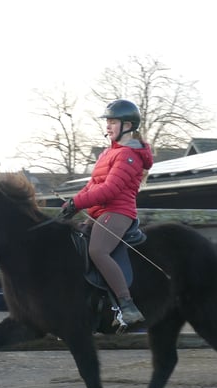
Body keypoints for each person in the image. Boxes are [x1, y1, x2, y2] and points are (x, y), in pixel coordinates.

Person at [60, 99, 154, 326]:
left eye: (113, 122)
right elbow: (93, 185)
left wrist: (78, 202)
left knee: (98, 250)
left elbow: (109, 190)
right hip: (99, 213)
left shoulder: (128, 155)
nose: (108, 126)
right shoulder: (107, 154)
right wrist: (71, 204)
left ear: (128, 125)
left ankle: (127, 305)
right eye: (108, 122)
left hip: (118, 211)